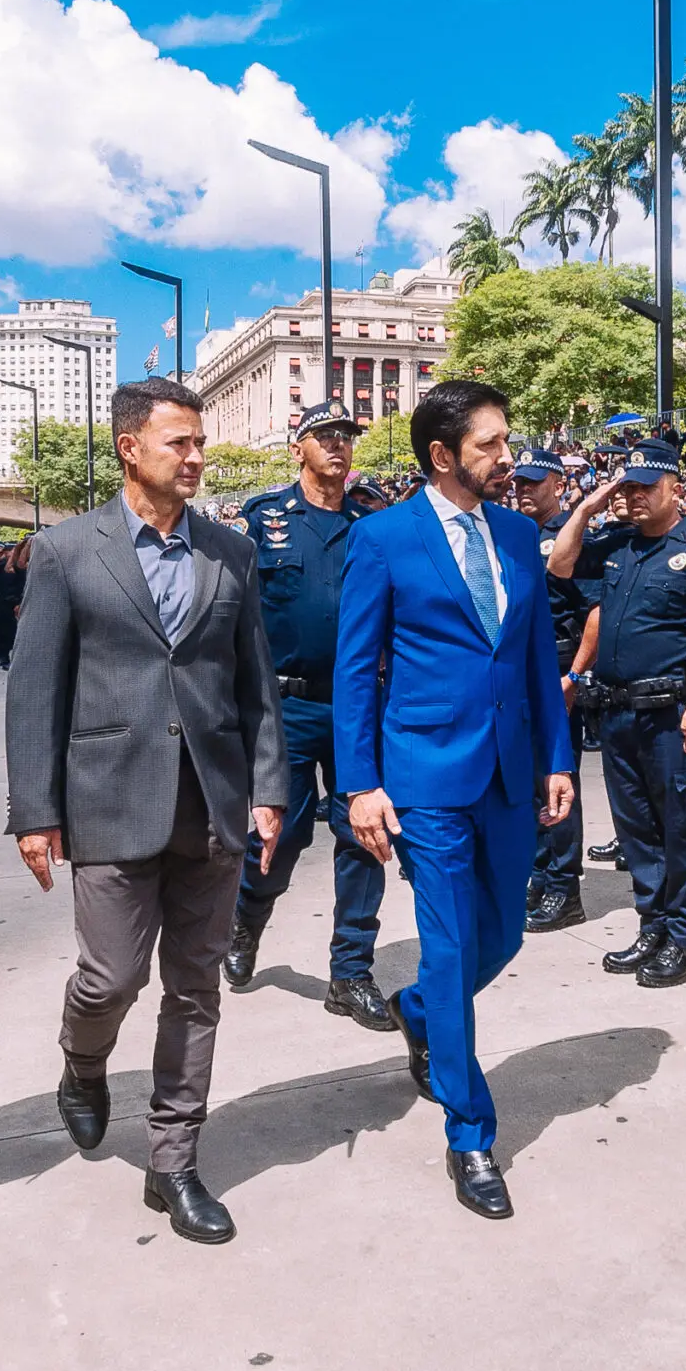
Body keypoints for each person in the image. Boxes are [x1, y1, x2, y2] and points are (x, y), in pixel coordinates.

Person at [7, 377, 287, 1245]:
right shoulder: (65, 551)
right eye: (180, 443)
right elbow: (34, 688)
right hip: (108, 799)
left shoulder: (230, 552)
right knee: (111, 978)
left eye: (200, 442)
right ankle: (83, 1062)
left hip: (213, 802)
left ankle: (174, 1161)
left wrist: (269, 788)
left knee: (195, 987)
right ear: (130, 448)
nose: (197, 457)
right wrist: (35, 811)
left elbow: (256, 683)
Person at [333, 380, 576, 1220]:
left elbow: (537, 658)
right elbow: (354, 669)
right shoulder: (382, 538)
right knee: (449, 945)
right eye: (490, 445)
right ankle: (470, 1133)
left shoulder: (517, 531)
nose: (508, 457)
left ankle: (418, 1010)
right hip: (424, 777)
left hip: (508, 770)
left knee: (501, 935)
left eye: (507, 440)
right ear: (442, 455)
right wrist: (360, 783)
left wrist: (555, 757)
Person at [221, 402, 393, 1030]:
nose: (338, 446)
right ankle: (246, 920)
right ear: (298, 449)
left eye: (345, 437)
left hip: (357, 705)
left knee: (364, 835)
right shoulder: (265, 519)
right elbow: (233, 614)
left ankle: (351, 973)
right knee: (281, 834)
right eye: (325, 437)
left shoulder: (370, 524)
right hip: (285, 707)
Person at [551, 441, 686, 985]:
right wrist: (587, 508)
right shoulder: (619, 545)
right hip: (617, 711)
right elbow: (561, 563)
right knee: (635, 828)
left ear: (675, 489)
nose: (634, 496)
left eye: (646, 487)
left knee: (680, 828)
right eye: (629, 487)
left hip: (670, 713)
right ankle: (653, 925)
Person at [513, 446, 593, 932]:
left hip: (558, 671)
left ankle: (564, 887)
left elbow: (594, 613)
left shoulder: (573, 534)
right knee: (528, 782)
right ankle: (540, 874)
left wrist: (575, 676)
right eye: (519, 481)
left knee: (557, 779)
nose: (522, 489)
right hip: (521, 674)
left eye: (534, 481)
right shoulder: (514, 533)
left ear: (559, 485)